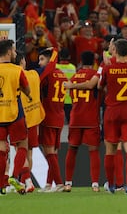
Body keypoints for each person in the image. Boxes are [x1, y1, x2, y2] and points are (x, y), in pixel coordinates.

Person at [98, 39, 127, 194]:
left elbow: (99, 86)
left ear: (114, 50)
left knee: (111, 150)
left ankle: (111, 185)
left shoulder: (108, 68)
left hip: (112, 112)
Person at [63, 51, 101, 193]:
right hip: (91, 117)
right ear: (93, 61)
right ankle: (95, 184)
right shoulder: (95, 75)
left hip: (75, 117)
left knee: (72, 149)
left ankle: (67, 183)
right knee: (93, 151)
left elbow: (71, 93)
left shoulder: (74, 76)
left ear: (81, 60)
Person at [0, 40, 31, 195]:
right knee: (23, 146)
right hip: (15, 113)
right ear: (7, 52)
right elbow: (27, 89)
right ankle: (14, 177)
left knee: (1, 150)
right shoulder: (17, 70)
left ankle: (1, 184)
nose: (15, 53)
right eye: (13, 50)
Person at [38, 48, 68, 192]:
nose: (39, 63)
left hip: (48, 116)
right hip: (59, 116)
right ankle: (49, 184)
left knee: (49, 153)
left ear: (49, 60)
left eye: (42, 59)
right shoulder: (62, 75)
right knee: (53, 153)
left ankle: (60, 183)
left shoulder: (47, 75)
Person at [14, 52, 45, 193]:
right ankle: (25, 182)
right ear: (22, 61)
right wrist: (54, 53)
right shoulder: (33, 74)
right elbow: (48, 68)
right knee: (29, 153)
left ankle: (26, 181)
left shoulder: (13, 76)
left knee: (20, 151)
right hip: (34, 119)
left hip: (19, 118)